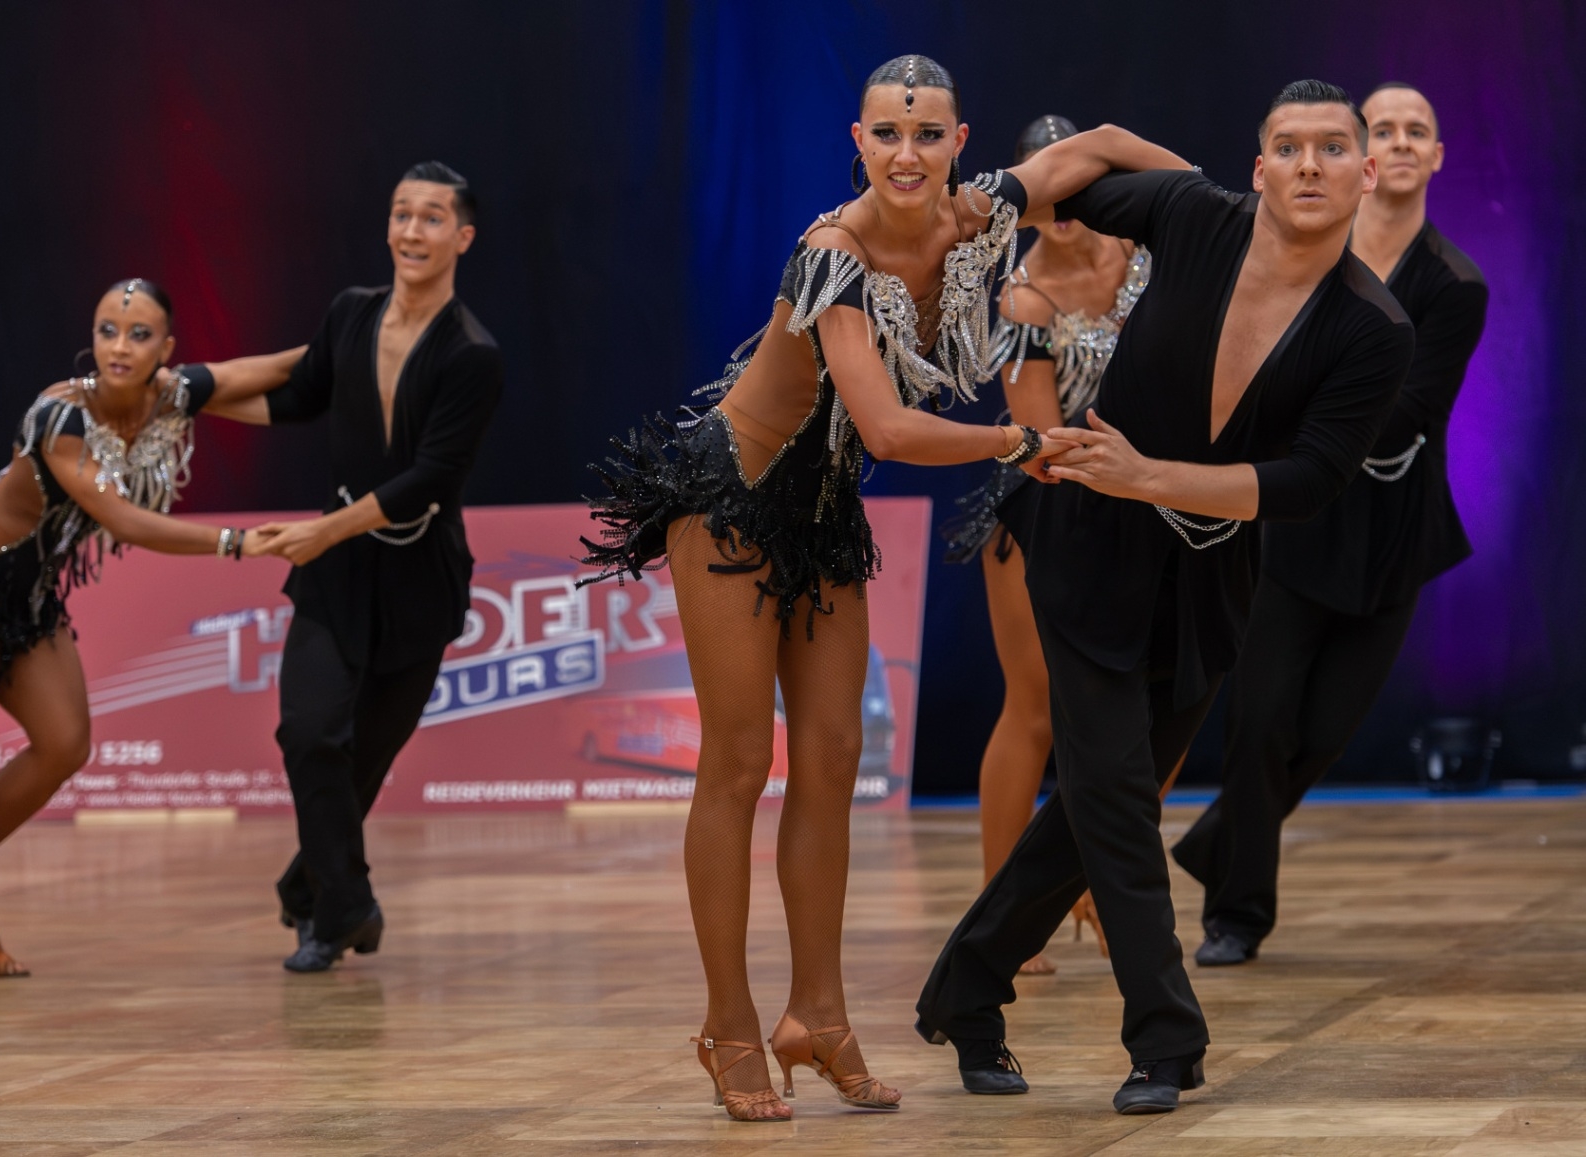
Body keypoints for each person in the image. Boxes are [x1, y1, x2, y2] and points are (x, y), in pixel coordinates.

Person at [583, 56, 1182, 1122]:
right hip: (729, 497)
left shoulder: (980, 212)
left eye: (928, 134)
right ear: (856, 142)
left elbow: (1098, 148)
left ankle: (818, 1015)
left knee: (830, 763)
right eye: (887, 135)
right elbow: (890, 428)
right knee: (738, 762)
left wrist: (1221, 213)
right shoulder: (832, 253)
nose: (908, 153)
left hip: (823, 511)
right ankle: (728, 1023)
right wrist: (1021, 440)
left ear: (960, 142)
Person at [915, 80, 1416, 1114]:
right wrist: (1002, 191)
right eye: (1290, 146)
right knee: (1109, 790)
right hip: (1085, 542)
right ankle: (1166, 1036)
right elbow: (1092, 155)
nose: (1311, 165)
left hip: (1211, 571)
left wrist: (1153, 477)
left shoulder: (1373, 326)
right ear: (1259, 166)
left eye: (1333, 148)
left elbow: (1308, 482)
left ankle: (965, 988)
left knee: (1101, 803)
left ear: (1364, 172)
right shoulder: (1194, 215)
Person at [1171, 82, 1487, 967]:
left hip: (1393, 532)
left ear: (1434, 156)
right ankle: (1237, 914)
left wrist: (1309, 410)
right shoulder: (1307, 255)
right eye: (1384, 128)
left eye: (1417, 129)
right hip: (1292, 525)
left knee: (1323, 733)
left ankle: (1217, 843)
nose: (1400, 140)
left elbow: (1410, 411)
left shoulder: (1455, 284)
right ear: (1365, 156)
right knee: (1260, 721)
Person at [177, 161, 505, 976]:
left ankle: (313, 886)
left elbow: (430, 478)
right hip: (336, 574)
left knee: (362, 760)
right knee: (310, 731)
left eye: (431, 217)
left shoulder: (472, 354)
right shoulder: (351, 312)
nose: (411, 231)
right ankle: (343, 907)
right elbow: (296, 395)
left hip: (420, 577)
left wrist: (322, 530)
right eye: (401, 213)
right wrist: (188, 397)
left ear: (463, 237)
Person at [0, 278, 283, 977]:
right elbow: (122, 520)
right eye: (108, 330)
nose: (120, 345)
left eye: (139, 334)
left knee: (66, 743)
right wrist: (234, 541)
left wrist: (362, 332)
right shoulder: (61, 413)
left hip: (31, 592)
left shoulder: (168, 396)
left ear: (166, 348)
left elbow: (263, 372)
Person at [942, 114, 1152, 975]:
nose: (1063, 209)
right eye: (1046, 194)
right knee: (1034, 707)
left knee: (1150, 710)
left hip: (1150, 502)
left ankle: (1093, 878)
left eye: (1078, 189)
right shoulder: (1022, 301)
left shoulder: (1147, 260)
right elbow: (1040, 442)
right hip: (1048, 509)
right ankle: (1005, 912)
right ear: (1024, 203)